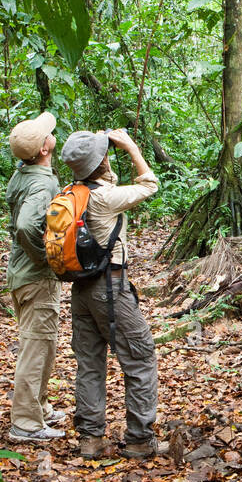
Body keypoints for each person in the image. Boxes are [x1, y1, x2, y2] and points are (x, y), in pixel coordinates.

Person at [59, 128, 160, 459]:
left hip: (81, 290)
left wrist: (101, 161)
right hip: (109, 289)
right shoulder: (104, 198)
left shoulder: (73, 193)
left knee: (89, 362)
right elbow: (150, 184)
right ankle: (140, 439)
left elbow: (108, 181)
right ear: (101, 161)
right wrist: (130, 145)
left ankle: (90, 438)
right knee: (140, 355)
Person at [5, 111, 67, 442]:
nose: (50, 133)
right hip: (35, 276)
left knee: (44, 343)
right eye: (47, 134)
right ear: (44, 148)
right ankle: (26, 423)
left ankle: (39, 406)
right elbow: (27, 225)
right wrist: (45, 259)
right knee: (35, 345)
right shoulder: (42, 182)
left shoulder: (25, 173)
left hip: (23, 273)